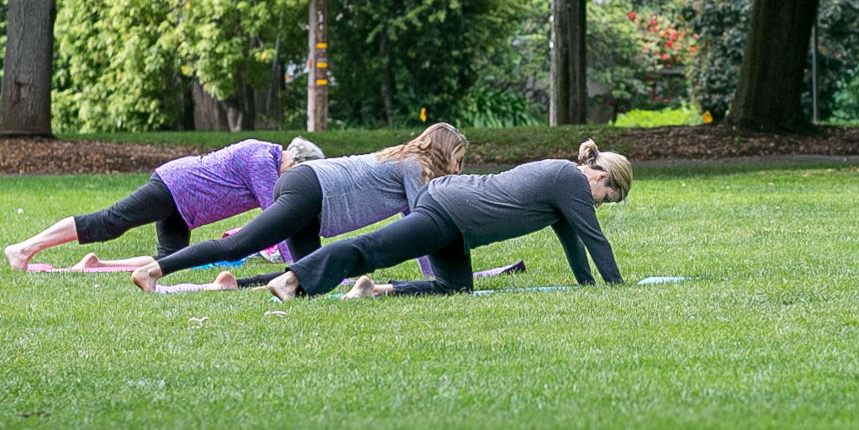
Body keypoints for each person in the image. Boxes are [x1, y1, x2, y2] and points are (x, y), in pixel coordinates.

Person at [267, 139, 631, 300]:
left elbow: (575, 243)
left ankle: (373, 290)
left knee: (454, 287)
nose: (600, 205)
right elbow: (595, 239)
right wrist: (616, 289)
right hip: (450, 209)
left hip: (459, 225)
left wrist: (589, 287)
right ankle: (294, 279)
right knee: (377, 249)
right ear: (600, 177)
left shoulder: (564, 185)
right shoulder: (569, 179)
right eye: (607, 199)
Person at [124, 123, 469, 291]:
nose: (457, 169)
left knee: (307, 276)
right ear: (441, 151)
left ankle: (229, 285)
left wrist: (435, 274)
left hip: (311, 191)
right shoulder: (415, 167)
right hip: (311, 189)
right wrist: (439, 276)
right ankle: (152, 271)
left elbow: (415, 226)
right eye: (458, 159)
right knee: (238, 244)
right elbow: (425, 227)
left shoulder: (404, 158)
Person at [2, 135, 325, 270]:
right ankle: (24, 248)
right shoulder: (262, 161)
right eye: (303, 173)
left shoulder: (266, 162)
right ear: (296, 162)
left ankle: (96, 266)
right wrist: (306, 267)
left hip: (186, 211)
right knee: (110, 222)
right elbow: (281, 224)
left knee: (169, 262)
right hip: (174, 187)